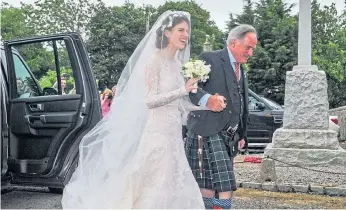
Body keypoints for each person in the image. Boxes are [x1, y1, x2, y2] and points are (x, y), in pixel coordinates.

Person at [61, 11, 206, 209]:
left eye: (187, 31)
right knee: (154, 184)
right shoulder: (154, 61)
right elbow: (149, 100)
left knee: (175, 181)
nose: (185, 35)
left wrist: (204, 106)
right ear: (166, 33)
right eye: (180, 30)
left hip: (173, 135)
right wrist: (183, 89)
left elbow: (180, 103)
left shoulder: (178, 64)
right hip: (157, 133)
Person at [185, 24, 257, 209]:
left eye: (253, 49)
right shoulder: (210, 58)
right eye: (248, 48)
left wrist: (242, 134)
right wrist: (207, 100)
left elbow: (241, 105)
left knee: (223, 184)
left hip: (229, 136)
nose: (251, 53)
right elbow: (190, 87)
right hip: (207, 129)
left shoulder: (241, 69)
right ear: (234, 43)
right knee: (210, 185)